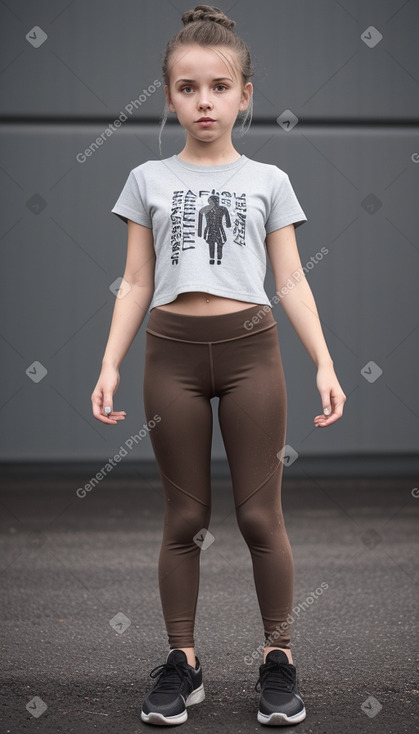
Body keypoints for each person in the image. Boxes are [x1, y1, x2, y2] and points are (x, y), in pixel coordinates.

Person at [91, 3, 346, 727]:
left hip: (249, 353)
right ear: (168, 95)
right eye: (187, 88)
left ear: (245, 95)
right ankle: (184, 662)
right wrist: (109, 362)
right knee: (185, 517)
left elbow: (290, 280)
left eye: (219, 87)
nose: (205, 101)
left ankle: (277, 657)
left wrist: (324, 364)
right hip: (169, 353)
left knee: (260, 515)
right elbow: (135, 281)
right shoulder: (147, 178)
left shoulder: (268, 179)